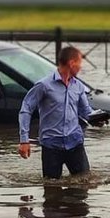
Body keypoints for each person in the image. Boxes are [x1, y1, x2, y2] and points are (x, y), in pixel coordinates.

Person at [18, 44, 94, 179]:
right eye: (79, 62)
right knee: (51, 191)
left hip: (75, 143)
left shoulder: (79, 86)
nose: (81, 67)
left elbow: (85, 112)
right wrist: (24, 140)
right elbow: (26, 108)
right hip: (51, 146)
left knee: (84, 185)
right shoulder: (44, 85)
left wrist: (100, 119)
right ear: (71, 63)